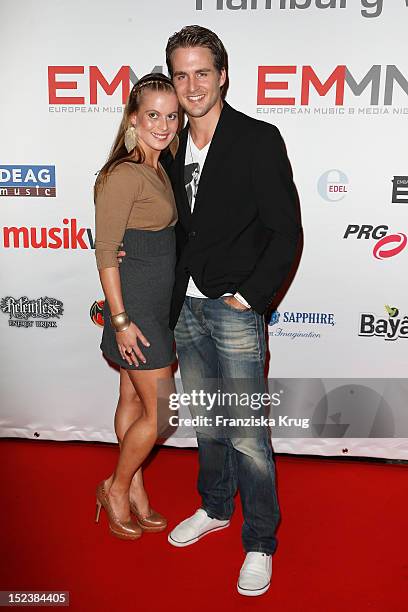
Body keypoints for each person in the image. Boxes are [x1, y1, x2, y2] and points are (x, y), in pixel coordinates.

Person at [119, 26, 302, 595]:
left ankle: (260, 541)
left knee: (246, 431)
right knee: (208, 420)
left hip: (234, 308)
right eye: (181, 74)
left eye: (203, 72)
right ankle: (217, 507)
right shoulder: (166, 144)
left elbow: (286, 231)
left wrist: (248, 297)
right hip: (184, 308)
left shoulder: (257, 139)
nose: (192, 85)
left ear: (223, 75)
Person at [94, 73, 181, 540]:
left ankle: (136, 492)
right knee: (163, 412)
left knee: (131, 398)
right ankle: (115, 486)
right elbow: (106, 250)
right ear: (133, 118)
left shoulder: (159, 165)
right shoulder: (123, 173)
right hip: (136, 313)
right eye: (153, 115)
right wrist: (122, 321)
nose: (164, 124)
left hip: (152, 304)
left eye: (171, 115)